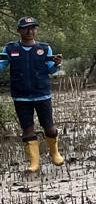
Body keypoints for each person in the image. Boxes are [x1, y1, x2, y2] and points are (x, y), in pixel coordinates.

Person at [1, 16, 65, 173]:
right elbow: (1, 66)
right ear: (19, 30)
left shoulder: (44, 48)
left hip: (42, 95)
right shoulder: (10, 49)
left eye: (33, 28)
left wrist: (57, 64)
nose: (30, 31)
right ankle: (34, 162)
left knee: (49, 128)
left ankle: (54, 152)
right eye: (26, 28)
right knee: (28, 130)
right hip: (21, 97)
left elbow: (50, 69)